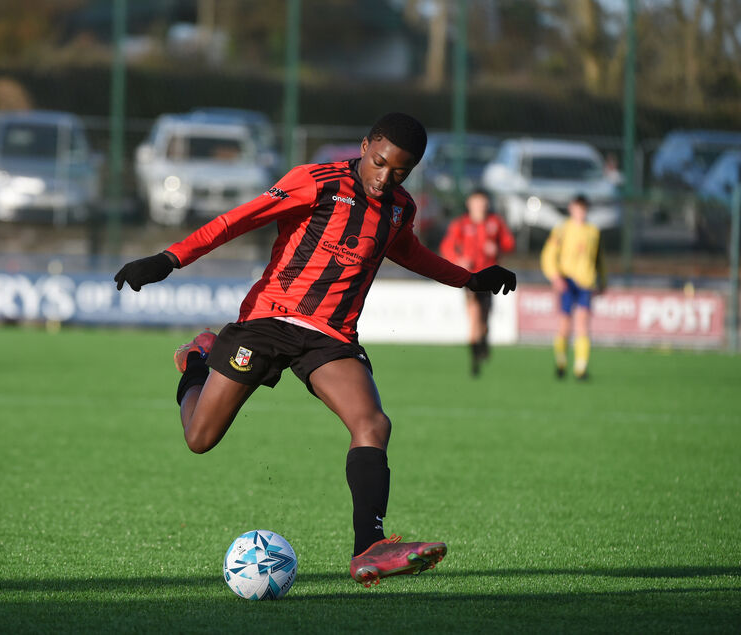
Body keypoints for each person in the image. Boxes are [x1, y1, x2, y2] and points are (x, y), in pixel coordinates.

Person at [114, 113, 516, 587]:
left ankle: (369, 548)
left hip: (332, 336)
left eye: (400, 172)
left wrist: (469, 278)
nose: (385, 178)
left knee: (373, 424)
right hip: (268, 321)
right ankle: (199, 361)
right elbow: (236, 221)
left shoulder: (398, 209)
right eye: (379, 162)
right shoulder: (316, 181)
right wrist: (168, 259)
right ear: (365, 145)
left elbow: (410, 253)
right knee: (200, 440)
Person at [440, 188, 515, 375]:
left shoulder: (494, 222)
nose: (480, 206)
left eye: (483, 202)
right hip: (470, 279)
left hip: (490, 279)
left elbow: (509, 243)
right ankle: (474, 362)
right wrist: (459, 260)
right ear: (470, 204)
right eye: (476, 202)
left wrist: (496, 248)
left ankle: (482, 343)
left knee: (485, 319)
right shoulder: (461, 224)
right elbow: (446, 247)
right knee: (474, 315)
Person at [540, 194, 605, 380]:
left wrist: (603, 281)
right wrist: (554, 277)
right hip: (566, 280)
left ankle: (581, 368)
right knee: (565, 325)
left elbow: (599, 259)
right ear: (571, 208)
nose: (580, 212)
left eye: (583, 208)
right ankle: (561, 362)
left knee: (583, 322)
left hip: (586, 282)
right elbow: (548, 255)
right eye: (578, 208)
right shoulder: (562, 230)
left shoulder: (593, 232)